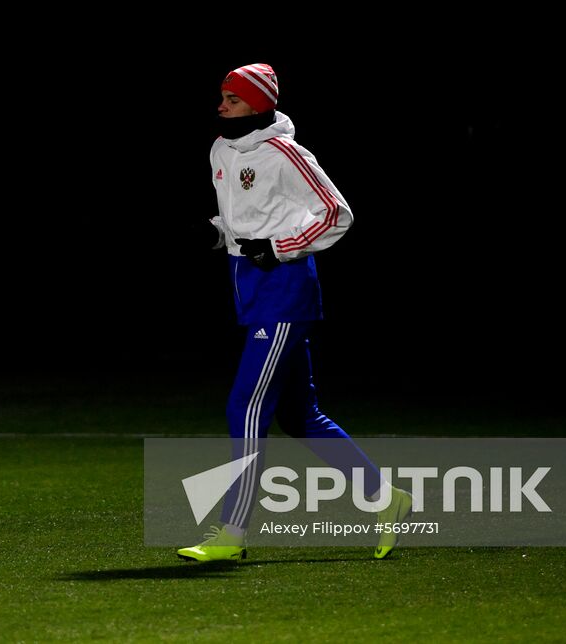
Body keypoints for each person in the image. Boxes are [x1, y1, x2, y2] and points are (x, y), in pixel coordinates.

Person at [176, 63, 412, 562]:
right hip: (249, 289)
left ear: (259, 104)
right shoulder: (221, 148)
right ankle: (385, 498)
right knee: (300, 416)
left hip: (285, 289)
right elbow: (247, 220)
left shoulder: (287, 153)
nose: (221, 105)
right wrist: (218, 231)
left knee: (245, 407)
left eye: (232, 99)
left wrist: (280, 248)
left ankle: (232, 534)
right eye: (221, 96)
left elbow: (336, 213)